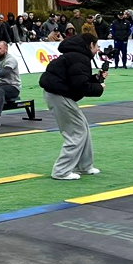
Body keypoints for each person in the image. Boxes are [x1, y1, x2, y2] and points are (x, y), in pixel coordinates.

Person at [39, 33, 105, 180]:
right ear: (90, 45)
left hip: (57, 93)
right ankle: (61, 171)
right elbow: (80, 86)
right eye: (97, 46)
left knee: (83, 128)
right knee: (76, 132)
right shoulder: (80, 58)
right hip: (58, 95)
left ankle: (84, 166)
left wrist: (95, 79)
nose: (98, 50)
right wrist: (99, 87)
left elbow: (77, 79)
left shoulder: (75, 56)